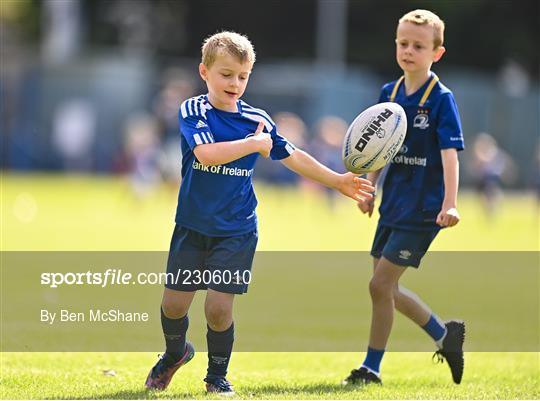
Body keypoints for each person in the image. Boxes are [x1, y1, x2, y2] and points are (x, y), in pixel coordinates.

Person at [144, 31, 374, 394]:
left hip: (236, 229)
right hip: (192, 225)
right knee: (173, 307)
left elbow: (293, 153)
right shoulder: (193, 110)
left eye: (242, 76)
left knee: (218, 309)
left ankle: (216, 376)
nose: (235, 83)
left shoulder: (258, 119)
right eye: (226, 74)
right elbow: (206, 154)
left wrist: (337, 181)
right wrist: (253, 143)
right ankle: (175, 353)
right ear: (204, 72)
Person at [342, 10, 466, 386]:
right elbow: (378, 150)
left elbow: (450, 154)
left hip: (424, 209)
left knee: (379, 285)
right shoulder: (389, 94)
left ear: (436, 53)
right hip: (393, 205)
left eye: (418, 46)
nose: (408, 51)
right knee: (387, 290)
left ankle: (371, 367)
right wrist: (369, 187)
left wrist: (450, 203)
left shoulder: (441, 99)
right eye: (403, 43)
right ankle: (446, 336)